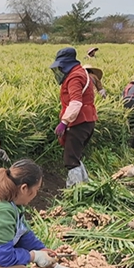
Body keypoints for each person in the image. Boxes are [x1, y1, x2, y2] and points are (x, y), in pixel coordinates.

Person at [50, 47, 98, 187]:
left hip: (79, 122)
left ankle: (75, 191)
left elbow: (76, 103)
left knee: (71, 160)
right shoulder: (81, 72)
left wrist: (64, 122)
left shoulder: (74, 77)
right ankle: (85, 185)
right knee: (75, 155)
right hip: (88, 120)